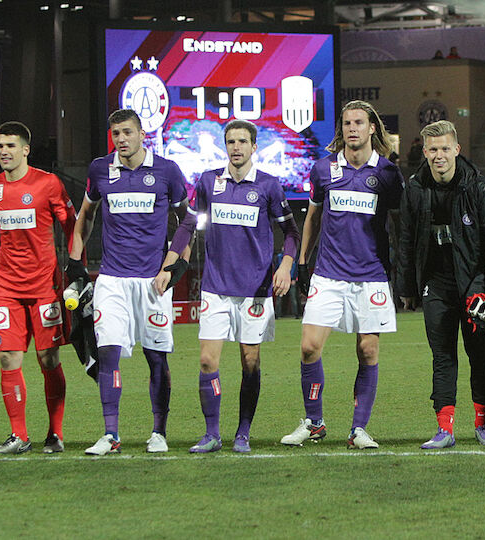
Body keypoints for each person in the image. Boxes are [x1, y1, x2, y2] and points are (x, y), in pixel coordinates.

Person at [166, 120, 300, 453]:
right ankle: (212, 434)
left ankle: (243, 432)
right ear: (225, 146)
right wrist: (170, 263)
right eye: (230, 142)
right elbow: (188, 224)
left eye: (242, 141)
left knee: (249, 362)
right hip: (215, 287)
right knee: (208, 361)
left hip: (255, 290)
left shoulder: (269, 186)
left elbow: (292, 234)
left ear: (254, 147)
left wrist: (285, 265)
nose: (236, 147)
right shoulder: (210, 182)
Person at [280, 100, 403, 450]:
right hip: (329, 275)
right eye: (347, 123)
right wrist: (303, 261)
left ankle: (358, 429)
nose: (352, 128)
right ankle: (314, 422)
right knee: (308, 347)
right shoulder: (323, 170)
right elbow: (313, 218)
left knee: (367, 350)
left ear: (372, 128)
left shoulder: (388, 174)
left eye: (359, 122)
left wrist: (401, 268)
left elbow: (397, 223)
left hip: (371, 276)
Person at [70, 109, 189, 455]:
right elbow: (85, 215)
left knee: (156, 358)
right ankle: (110, 434)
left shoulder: (166, 171)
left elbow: (188, 219)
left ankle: (159, 432)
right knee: (108, 355)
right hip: (112, 280)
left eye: (126, 132)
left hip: (152, 282)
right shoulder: (100, 169)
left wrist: (173, 264)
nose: (121, 140)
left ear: (141, 134)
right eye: (115, 134)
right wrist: (75, 262)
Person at [396, 119, 485, 449]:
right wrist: (407, 289)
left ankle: (483, 425)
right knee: (442, 357)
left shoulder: (479, 187)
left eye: (445, 148)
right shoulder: (415, 189)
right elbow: (406, 239)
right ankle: (444, 429)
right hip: (437, 285)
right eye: (433, 149)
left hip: (474, 285)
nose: (439, 155)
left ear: (457, 149)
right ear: (424, 152)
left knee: (479, 357)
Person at [0, 121, 75, 455]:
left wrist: (77, 270)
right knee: (8, 359)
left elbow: (71, 226)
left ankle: (55, 434)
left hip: (45, 285)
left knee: (48, 358)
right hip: (6, 287)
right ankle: (19, 436)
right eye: (0, 146)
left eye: (11, 146)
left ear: (26, 149)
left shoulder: (47, 183)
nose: (3, 151)